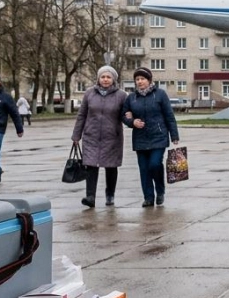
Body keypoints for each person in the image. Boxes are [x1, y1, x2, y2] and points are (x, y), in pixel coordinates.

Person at [121, 68, 179, 207]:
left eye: (142, 79)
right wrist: (132, 122)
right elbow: (123, 115)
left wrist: (174, 135)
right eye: (137, 79)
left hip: (158, 136)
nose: (140, 81)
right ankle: (148, 197)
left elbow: (169, 116)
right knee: (144, 169)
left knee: (155, 164)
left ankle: (160, 191)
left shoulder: (160, 94)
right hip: (140, 138)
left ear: (149, 80)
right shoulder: (132, 98)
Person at [72, 66, 127, 207]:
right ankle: (90, 197)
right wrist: (76, 135)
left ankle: (110, 195)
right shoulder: (89, 93)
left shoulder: (121, 95)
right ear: (98, 78)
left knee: (111, 167)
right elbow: (82, 115)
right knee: (91, 165)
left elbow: (125, 115)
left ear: (113, 79)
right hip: (91, 135)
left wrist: (133, 121)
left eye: (108, 77)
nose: (105, 80)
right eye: (103, 77)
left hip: (112, 137)